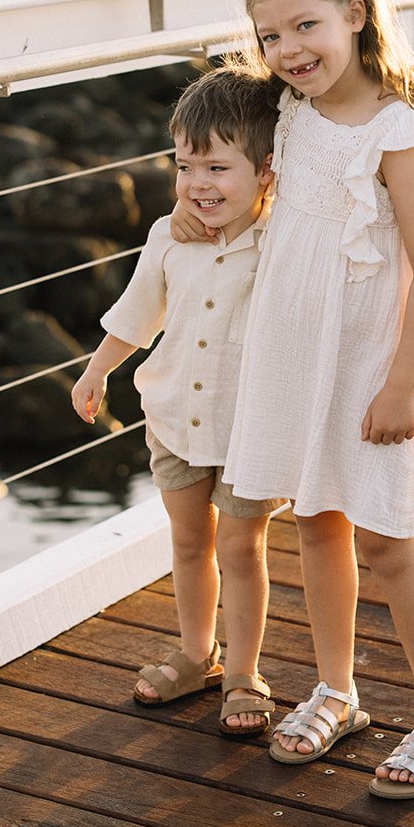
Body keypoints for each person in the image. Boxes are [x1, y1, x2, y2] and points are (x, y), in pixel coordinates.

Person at [173, 0, 414, 798]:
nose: (289, 50)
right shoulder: (290, 112)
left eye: (305, 27)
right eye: (271, 37)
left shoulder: (397, 128)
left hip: (371, 365)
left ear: (353, 13)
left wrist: (401, 384)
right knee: (314, 522)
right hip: (293, 358)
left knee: (386, 538)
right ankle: (337, 688)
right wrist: (196, 213)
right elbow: (222, 171)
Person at [71, 64, 284, 736]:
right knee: (190, 541)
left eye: (217, 169)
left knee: (243, 548)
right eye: (184, 167)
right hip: (172, 419)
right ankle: (198, 653)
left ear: (266, 173)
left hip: (250, 429)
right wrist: (96, 370)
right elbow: (138, 313)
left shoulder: (279, 241)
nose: (197, 184)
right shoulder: (169, 235)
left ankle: (245, 669)